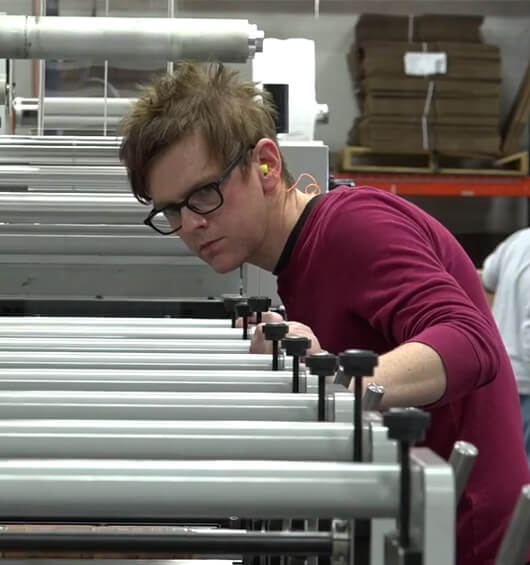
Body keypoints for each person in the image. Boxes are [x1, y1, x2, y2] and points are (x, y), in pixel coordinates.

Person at [119, 61, 530, 565]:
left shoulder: (350, 227)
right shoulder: (299, 260)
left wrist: (330, 377)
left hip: (462, 537)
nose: (190, 225)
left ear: (266, 165)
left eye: (204, 194)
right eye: (172, 210)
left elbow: (471, 341)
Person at [481, 229, 530, 465]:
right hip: (527, 383)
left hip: (502, 375)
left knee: (508, 463)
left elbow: (487, 277)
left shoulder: (518, 240)